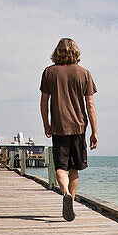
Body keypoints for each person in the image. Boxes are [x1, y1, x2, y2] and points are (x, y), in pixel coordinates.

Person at [39, 38, 97, 221]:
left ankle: (64, 193)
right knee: (74, 168)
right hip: (79, 126)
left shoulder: (49, 72)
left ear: (57, 52)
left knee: (60, 166)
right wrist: (94, 131)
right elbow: (90, 105)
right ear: (76, 52)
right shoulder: (84, 73)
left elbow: (44, 102)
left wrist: (46, 123)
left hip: (58, 127)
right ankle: (70, 199)